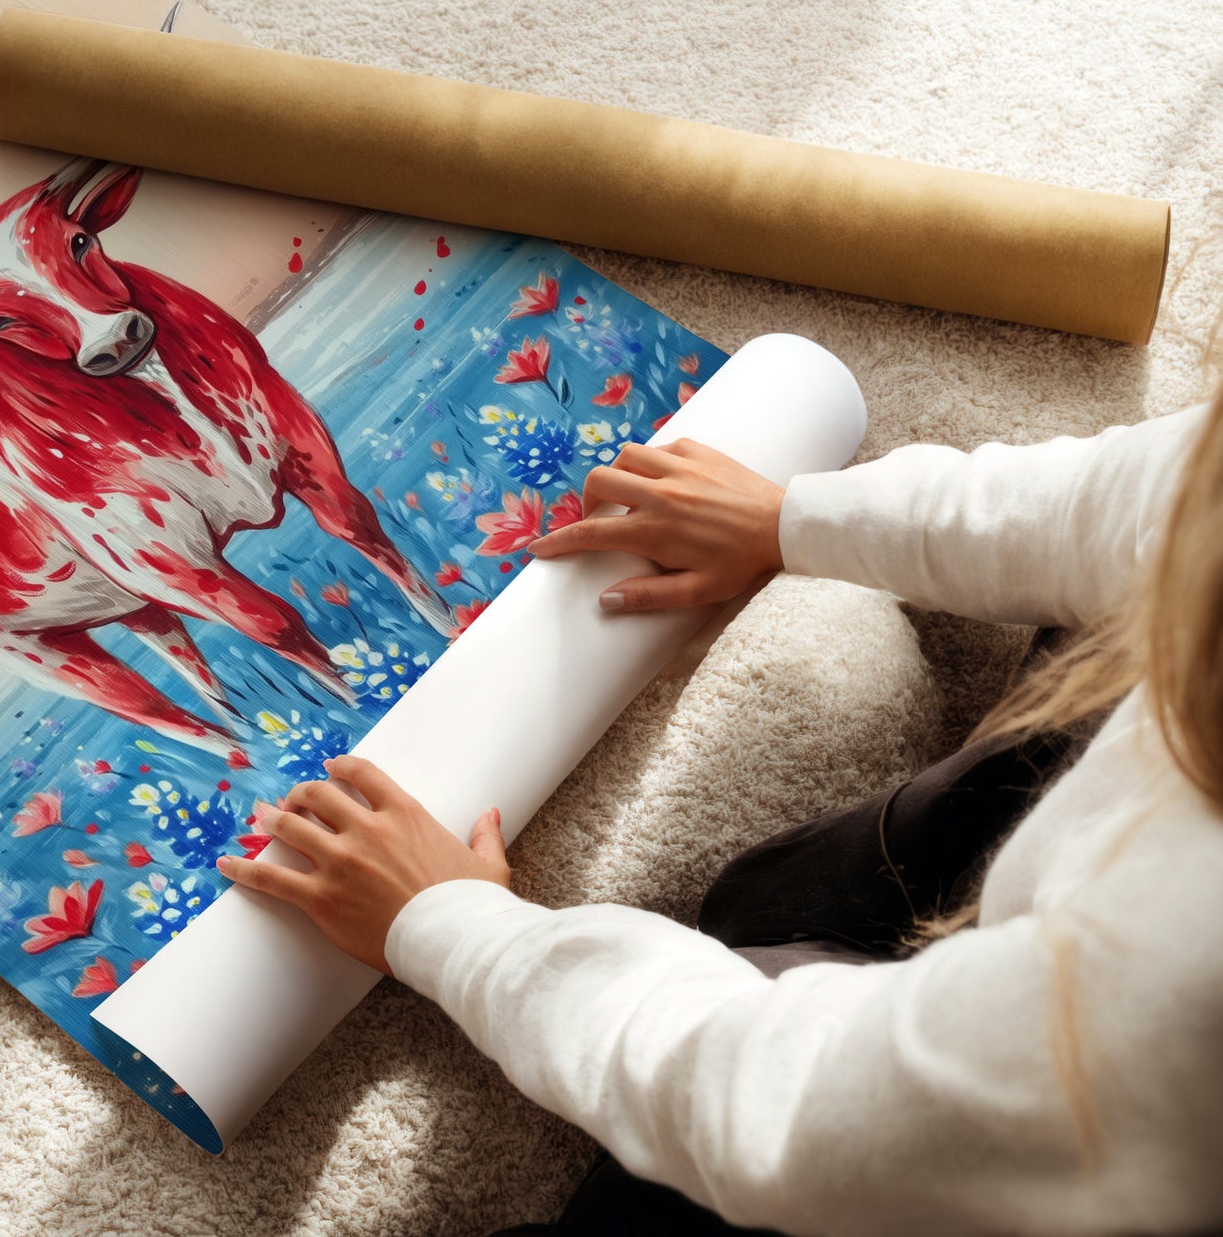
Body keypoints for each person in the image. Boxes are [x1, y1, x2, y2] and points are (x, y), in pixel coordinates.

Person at [216, 396, 1223, 1235]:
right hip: (1092, 939)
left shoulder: (1172, 988)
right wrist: (791, 517)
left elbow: (787, 1110)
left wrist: (453, 929)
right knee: (780, 900)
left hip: (1087, 1146)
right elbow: (1146, 497)